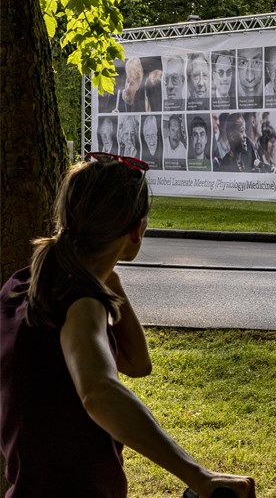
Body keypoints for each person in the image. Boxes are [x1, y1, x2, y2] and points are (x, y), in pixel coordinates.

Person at [0, 153, 256, 497]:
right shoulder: (80, 303)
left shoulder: (25, 284)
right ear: (137, 230)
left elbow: (137, 364)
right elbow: (98, 391)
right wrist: (198, 475)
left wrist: (110, 281)